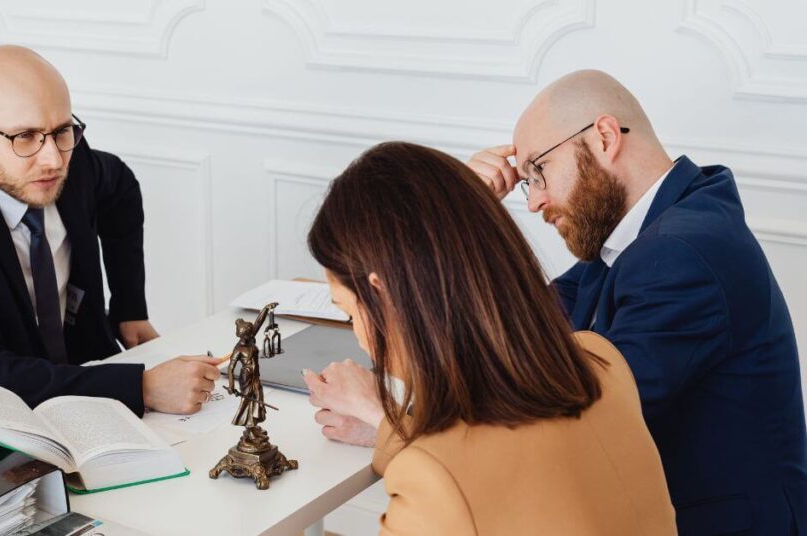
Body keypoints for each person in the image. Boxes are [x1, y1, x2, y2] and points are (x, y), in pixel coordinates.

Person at [315, 70, 807, 534]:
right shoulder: (641, 236)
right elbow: (524, 326)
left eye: (539, 170)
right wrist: (461, 223)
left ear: (605, 138)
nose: (531, 201)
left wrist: (386, 416)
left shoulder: (680, 255)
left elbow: (566, 429)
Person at [301, 141, 676, 534]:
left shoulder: (437, 482)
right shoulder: (600, 360)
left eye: (348, 312)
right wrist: (383, 421)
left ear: (383, 292)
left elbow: (458, 481)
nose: (358, 337)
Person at [0, 45, 221, 420]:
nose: (52, 160)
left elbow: (120, 189)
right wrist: (142, 388)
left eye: (62, 130)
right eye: (24, 137)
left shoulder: (69, 157)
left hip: (80, 385)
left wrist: (129, 307)